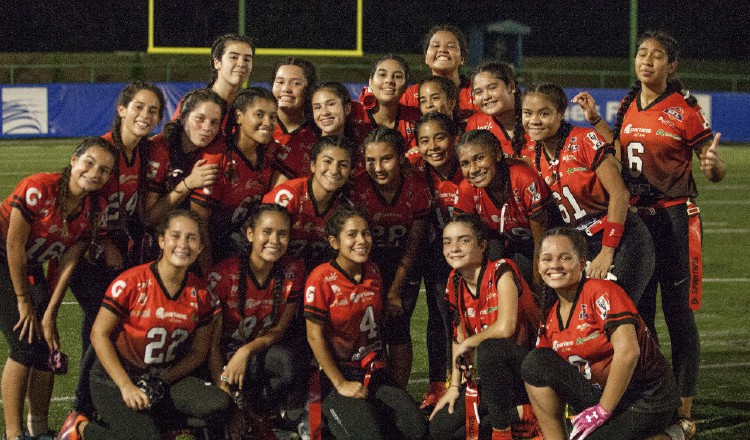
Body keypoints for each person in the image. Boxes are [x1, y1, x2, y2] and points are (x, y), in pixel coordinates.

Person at [572, 31, 726, 435]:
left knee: (678, 315)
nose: (647, 61)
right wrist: (594, 120)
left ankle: (683, 410)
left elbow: (713, 166)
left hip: (674, 221)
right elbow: (621, 152)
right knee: (640, 312)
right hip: (638, 223)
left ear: (671, 66)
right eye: (642, 54)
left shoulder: (684, 109)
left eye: (657, 56)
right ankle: (656, 396)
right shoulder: (628, 103)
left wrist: (712, 165)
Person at [56, 210, 231, 440]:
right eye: (175, 236)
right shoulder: (132, 282)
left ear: (200, 247)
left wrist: (161, 381)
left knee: (218, 405)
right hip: (114, 378)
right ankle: (81, 429)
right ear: (161, 241)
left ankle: (151, 423)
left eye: (191, 238)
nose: (183, 245)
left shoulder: (201, 293)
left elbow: (198, 352)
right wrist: (126, 386)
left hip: (160, 377)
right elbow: (99, 334)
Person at [0, 138, 116, 440]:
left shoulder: (94, 207)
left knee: (46, 345)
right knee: (25, 344)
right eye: (89, 162)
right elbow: (13, 245)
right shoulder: (39, 187)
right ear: (74, 160)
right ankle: (13, 435)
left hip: (30, 262)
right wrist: (24, 300)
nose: (94, 173)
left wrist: (50, 312)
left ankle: (38, 429)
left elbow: (68, 261)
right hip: (4, 256)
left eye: (104, 170)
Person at [522, 227, 681, 440]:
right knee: (534, 363)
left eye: (565, 258)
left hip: (646, 399)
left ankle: (670, 435)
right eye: (547, 259)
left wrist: (602, 411)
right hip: (604, 393)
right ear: (539, 266)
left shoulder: (602, 292)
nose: (555, 265)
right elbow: (547, 373)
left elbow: (629, 352)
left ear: (581, 264)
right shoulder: (551, 315)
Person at [522, 82, 654, 303]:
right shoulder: (531, 152)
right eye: (528, 113)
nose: (534, 120)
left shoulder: (584, 140)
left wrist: (607, 251)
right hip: (583, 243)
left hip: (621, 238)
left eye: (544, 113)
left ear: (560, 114)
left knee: (619, 312)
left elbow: (620, 194)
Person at [304, 206, 428, 439]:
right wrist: (340, 383)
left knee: (417, 431)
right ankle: (327, 422)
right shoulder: (321, 277)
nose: (361, 240)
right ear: (334, 242)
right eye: (352, 235)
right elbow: (314, 336)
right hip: (337, 375)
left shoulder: (373, 270)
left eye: (366, 233)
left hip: (373, 373)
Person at [429, 214, 541, 440]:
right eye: (447, 242)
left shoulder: (502, 270)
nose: (454, 248)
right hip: (496, 378)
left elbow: (505, 328)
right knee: (441, 430)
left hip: (530, 368)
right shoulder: (454, 281)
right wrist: (453, 388)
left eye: (464, 240)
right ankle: (524, 413)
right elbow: (458, 337)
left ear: (482, 246)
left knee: (490, 349)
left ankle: (507, 428)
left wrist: (471, 341)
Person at [208, 204, 306, 440]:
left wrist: (246, 351)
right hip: (216, 358)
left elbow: (279, 329)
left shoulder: (293, 271)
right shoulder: (223, 274)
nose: (274, 239)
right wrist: (225, 390)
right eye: (267, 231)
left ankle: (256, 409)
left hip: (252, 354)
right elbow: (208, 344)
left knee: (290, 363)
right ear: (250, 233)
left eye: (282, 234)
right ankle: (233, 405)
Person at [350, 126, 431, 388]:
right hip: (366, 262)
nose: (378, 167)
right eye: (371, 160)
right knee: (368, 328)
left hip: (402, 262)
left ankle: (398, 391)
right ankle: (374, 386)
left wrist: (394, 290)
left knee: (397, 324)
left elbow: (413, 244)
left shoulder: (416, 187)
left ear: (402, 158)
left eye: (386, 159)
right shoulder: (358, 187)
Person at [190, 87, 286, 271]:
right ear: (239, 116)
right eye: (259, 114)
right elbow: (198, 226)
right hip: (212, 250)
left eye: (273, 117)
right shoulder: (216, 158)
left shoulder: (273, 152)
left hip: (249, 245)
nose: (267, 122)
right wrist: (210, 277)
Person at [454, 129, 559, 288]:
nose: (473, 169)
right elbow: (463, 244)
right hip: (512, 246)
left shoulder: (523, 180)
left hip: (546, 245)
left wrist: (538, 291)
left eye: (479, 158)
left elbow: (542, 242)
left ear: (497, 154)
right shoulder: (466, 189)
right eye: (465, 163)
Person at [412, 112, 463, 410]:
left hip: (476, 251)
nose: (433, 146)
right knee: (439, 315)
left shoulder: (469, 163)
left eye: (440, 138)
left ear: (454, 138)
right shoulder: (415, 170)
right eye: (425, 140)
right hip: (436, 253)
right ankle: (437, 384)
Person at [142, 88, 225, 259]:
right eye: (200, 119)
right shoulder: (161, 149)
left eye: (214, 122)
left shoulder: (214, 151)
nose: (207, 128)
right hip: (153, 241)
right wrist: (188, 184)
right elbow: (150, 217)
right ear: (183, 117)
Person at [262, 135, 355, 272]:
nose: (334, 170)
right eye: (327, 161)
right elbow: (259, 246)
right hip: (272, 272)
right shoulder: (288, 196)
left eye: (343, 165)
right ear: (312, 165)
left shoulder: (345, 208)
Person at [172, 33, 254, 122]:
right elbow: (171, 134)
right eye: (234, 57)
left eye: (247, 59)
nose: (241, 64)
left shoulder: (249, 108)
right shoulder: (194, 103)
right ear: (217, 63)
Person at [401, 25, 477, 120]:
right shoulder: (410, 95)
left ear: (462, 58)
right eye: (436, 46)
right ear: (425, 58)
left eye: (451, 46)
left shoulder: (478, 91)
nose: (442, 50)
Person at [466, 61, 530, 158]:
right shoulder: (476, 124)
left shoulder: (534, 119)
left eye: (492, 88)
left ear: (511, 87)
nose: (486, 97)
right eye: (479, 92)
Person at [356, 55, 421, 148]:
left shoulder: (417, 119)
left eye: (397, 76)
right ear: (370, 81)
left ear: (406, 87)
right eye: (382, 75)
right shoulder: (353, 115)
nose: (389, 80)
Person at [271, 57, 319, 179]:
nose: (286, 89)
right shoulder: (257, 126)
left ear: (309, 90)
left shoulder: (318, 133)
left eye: (295, 83)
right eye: (280, 82)